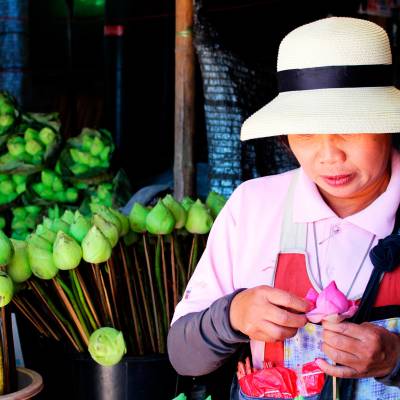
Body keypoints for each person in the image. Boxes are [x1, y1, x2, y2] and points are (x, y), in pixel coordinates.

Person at [168, 17, 400, 400]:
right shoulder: (254, 207)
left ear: (388, 125)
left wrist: (394, 357)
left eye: (351, 128)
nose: (329, 155)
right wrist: (232, 316)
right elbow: (183, 355)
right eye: (306, 132)